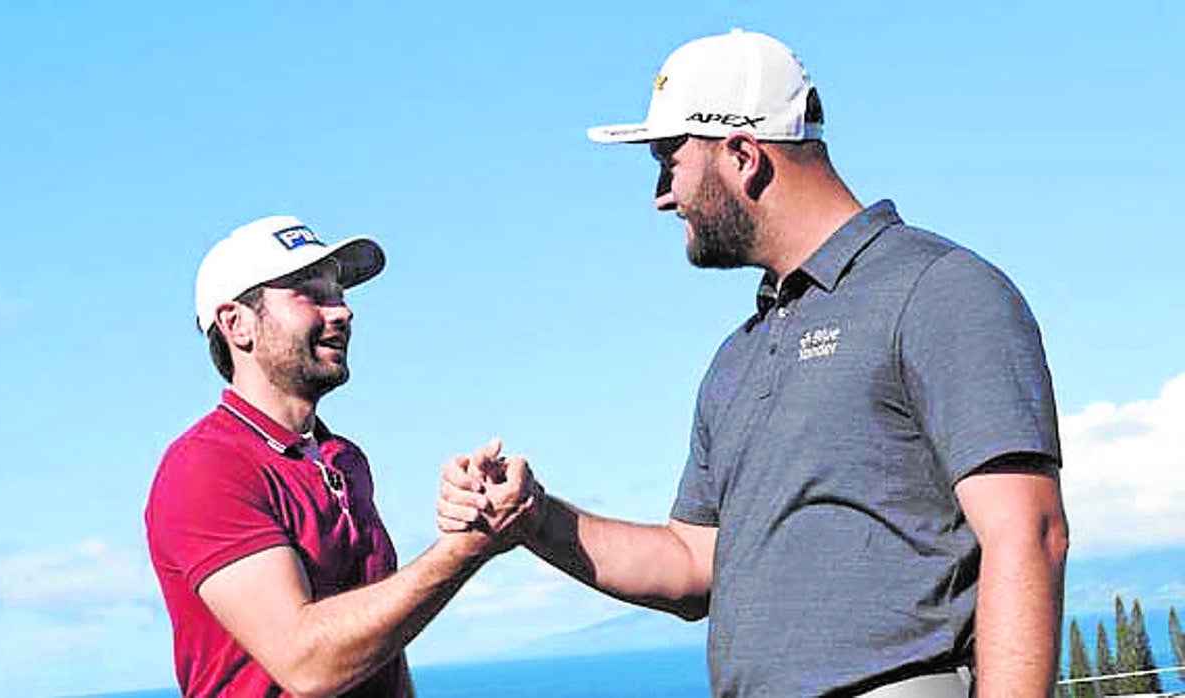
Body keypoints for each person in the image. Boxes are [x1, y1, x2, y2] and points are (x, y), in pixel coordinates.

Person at [439, 30, 1069, 697]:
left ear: (742, 154)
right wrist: (533, 515)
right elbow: (690, 565)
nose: (660, 195)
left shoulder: (939, 289)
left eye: (668, 159)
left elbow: (1028, 531)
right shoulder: (735, 361)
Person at [146, 215, 530, 697]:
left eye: (341, 295)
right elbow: (307, 665)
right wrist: (464, 548)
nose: (343, 312)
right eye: (311, 294)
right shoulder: (206, 467)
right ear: (236, 323)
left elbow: (381, 650)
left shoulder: (343, 459)